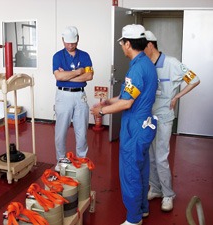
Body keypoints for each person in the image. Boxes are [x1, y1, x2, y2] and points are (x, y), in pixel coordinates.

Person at [91, 24, 158, 225]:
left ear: (127, 43)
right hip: (146, 124)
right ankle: (143, 209)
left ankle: (134, 218)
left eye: (122, 43)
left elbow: (128, 103)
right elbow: (127, 96)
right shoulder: (146, 64)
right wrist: (110, 101)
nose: (122, 46)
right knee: (141, 168)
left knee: (130, 172)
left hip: (135, 126)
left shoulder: (136, 69)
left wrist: (100, 111)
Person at [144, 31, 200, 212]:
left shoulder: (172, 63)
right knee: (151, 156)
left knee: (160, 157)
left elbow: (195, 79)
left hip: (164, 117)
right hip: (148, 117)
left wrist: (177, 96)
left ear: (150, 45)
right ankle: (156, 189)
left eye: (141, 46)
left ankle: (168, 194)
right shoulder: (145, 64)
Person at [52, 26, 94, 171]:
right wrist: (78, 72)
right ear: (63, 40)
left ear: (78, 39)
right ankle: (61, 161)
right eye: (67, 42)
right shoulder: (57, 56)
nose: (70, 45)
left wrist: (67, 75)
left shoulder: (85, 56)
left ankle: (81, 161)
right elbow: (58, 77)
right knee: (61, 131)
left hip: (80, 95)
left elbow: (89, 76)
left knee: (82, 131)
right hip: (63, 96)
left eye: (73, 42)